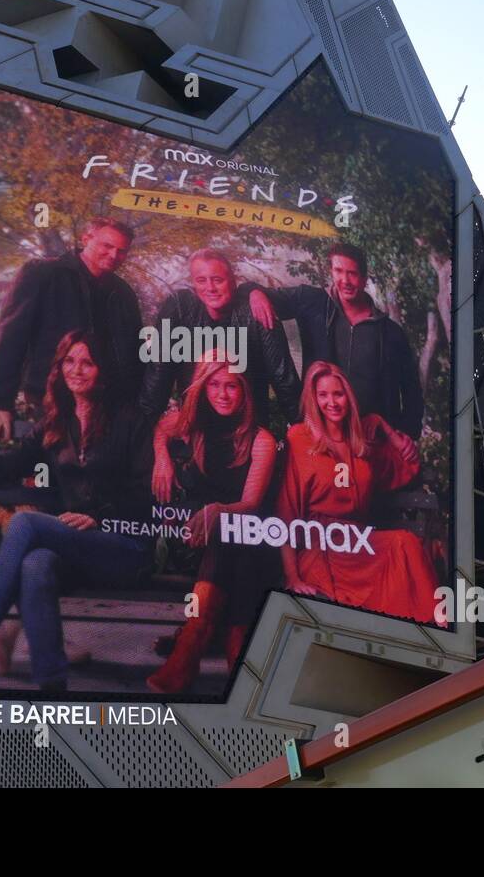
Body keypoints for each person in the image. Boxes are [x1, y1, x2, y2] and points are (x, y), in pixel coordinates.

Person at [0, 330, 154, 693]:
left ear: (103, 370)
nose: (77, 370)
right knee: (35, 565)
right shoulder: (56, 422)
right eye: (70, 361)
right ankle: (51, 685)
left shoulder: (130, 421)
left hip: (124, 545)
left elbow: (148, 496)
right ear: (60, 367)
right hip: (75, 548)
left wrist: (101, 517)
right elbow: (14, 463)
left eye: (87, 362)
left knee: (26, 522)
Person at [146, 352, 279, 693]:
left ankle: (191, 645)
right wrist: (162, 458)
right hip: (190, 542)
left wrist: (218, 510)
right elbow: (160, 431)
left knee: (234, 537)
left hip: (231, 540)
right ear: (203, 389)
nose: (222, 394)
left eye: (231, 386)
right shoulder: (192, 427)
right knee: (237, 546)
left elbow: (250, 504)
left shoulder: (261, 440)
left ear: (244, 391)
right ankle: (237, 658)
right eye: (214, 385)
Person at [276, 361, 438, 623]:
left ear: (348, 397)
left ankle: (436, 632)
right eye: (323, 395)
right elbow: (285, 513)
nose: (332, 402)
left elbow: (407, 466)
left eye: (338, 394)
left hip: (359, 542)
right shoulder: (299, 438)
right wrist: (292, 577)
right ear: (313, 400)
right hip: (322, 543)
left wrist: (382, 426)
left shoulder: (361, 441)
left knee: (404, 543)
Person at [0, 217, 142, 442]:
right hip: (47, 402)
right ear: (86, 239)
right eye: (107, 246)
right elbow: (11, 337)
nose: (114, 255)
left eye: (121, 251)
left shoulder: (124, 294)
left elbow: (132, 355)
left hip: (104, 410)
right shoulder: (44, 273)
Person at [245, 242, 424, 439]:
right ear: (331, 271)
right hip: (320, 431)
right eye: (338, 271)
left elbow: (411, 389)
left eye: (352, 273)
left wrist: (406, 434)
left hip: (370, 437)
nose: (344, 280)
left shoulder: (391, 333)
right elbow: (255, 291)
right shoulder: (312, 301)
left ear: (364, 279)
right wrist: (255, 293)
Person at [139, 248, 301, 424]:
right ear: (193, 283)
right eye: (201, 280)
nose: (210, 288)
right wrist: (146, 425)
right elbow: (159, 369)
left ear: (233, 281)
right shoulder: (179, 307)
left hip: (247, 427)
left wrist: (303, 430)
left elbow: (284, 378)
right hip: (195, 425)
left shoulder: (256, 309)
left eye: (218, 280)